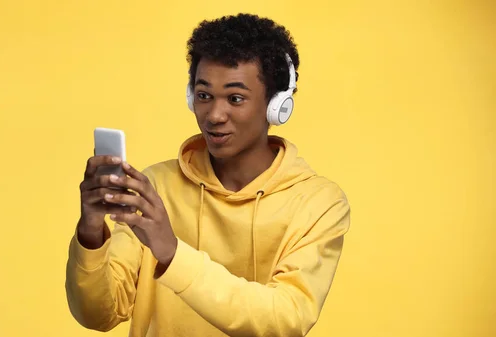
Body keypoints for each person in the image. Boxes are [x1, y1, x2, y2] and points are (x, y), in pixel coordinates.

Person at [65, 13, 351, 337]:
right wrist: (90, 233)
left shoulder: (318, 203)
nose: (214, 115)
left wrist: (171, 252)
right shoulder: (156, 188)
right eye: (203, 95)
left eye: (235, 98)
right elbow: (98, 316)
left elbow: (285, 319)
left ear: (277, 106)